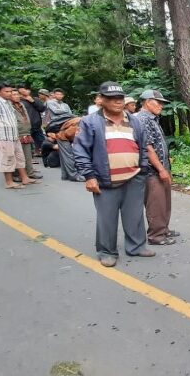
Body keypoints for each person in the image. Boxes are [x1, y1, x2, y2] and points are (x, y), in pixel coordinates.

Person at [73, 81, 155, 267]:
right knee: (107, 217)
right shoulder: (90, 122)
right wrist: (89, 176)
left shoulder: (134, 121)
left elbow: (143, 146)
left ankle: (136, 246)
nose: (117, 102)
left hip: (134, 177)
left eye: (120, 98)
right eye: (112, 98)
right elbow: (80, 150)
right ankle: (107, 251)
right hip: (104, 179)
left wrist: (142, 169)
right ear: (101, 100)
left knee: (134, 215)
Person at [135, 90, 178, 245]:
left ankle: (163, 228)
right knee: (156, 203)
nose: (161, 105)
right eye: (158, 102)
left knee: (164, 201)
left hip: (162, 168)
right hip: (152, 171)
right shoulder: (142, 119)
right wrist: (160, 169)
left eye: (162, 103)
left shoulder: (153, 119)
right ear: (147, 102)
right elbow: (147, 147)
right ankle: (156, 235)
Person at [0, 83, 39, 189]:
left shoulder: (8, 102)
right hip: (4, 136)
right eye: (6, 91)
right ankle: (9, 182)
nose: (9, 94)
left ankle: (25, 178)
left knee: (19, 157)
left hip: (14, 135)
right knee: (7, 158)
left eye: (10, 91)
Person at [10, 90, 42, 180]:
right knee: (17, 155)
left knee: (27, 154)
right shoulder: (9, 106)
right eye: (14, 95)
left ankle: (29, 172)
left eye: (17, 94)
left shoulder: (21, 104)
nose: (17, 96)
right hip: (16, 133)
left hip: (26, 132)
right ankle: (16, 174)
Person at [17, 84, 47, 156]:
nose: (25, 92)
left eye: (26, 89)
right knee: (28, 143)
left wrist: (32, 101)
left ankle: (43, 154)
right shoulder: (18, 101)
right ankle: (30, 157)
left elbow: (42, 109)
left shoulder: (35, 99)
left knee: (42, 141)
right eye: (22, 90)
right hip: (26, 126)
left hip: (36, 125)